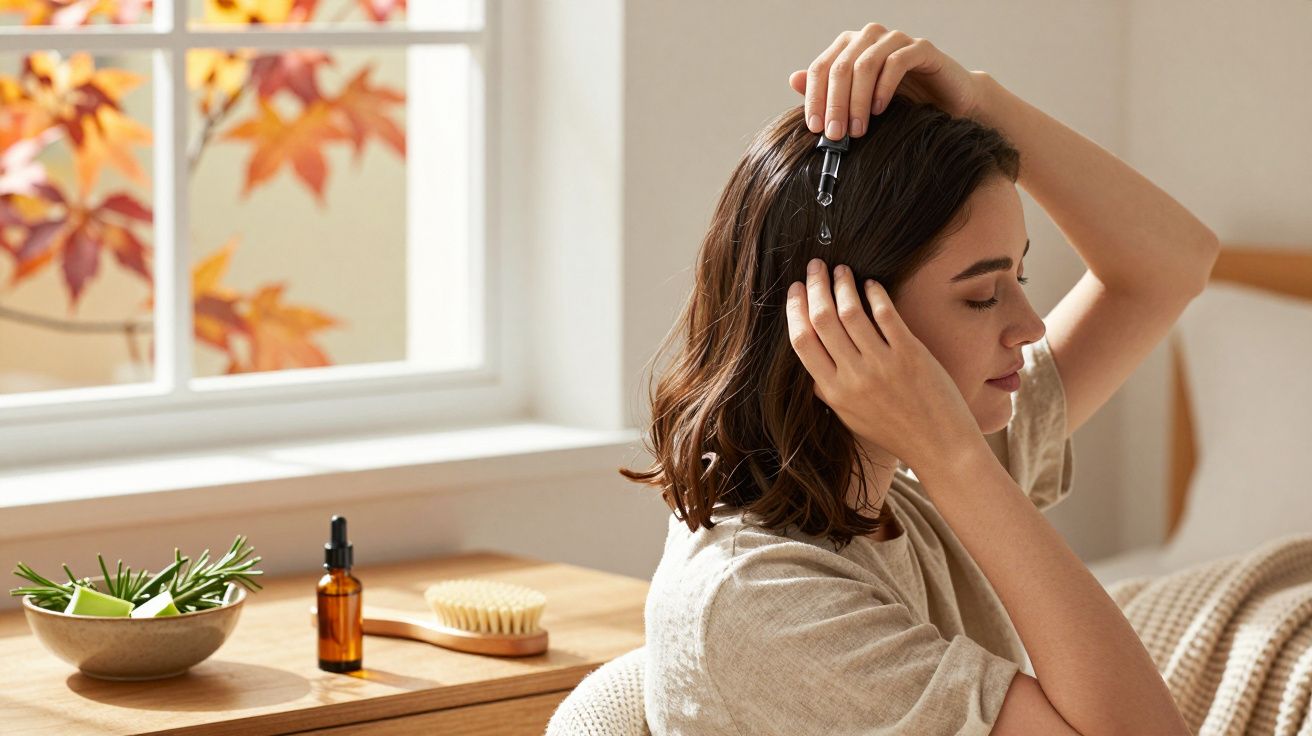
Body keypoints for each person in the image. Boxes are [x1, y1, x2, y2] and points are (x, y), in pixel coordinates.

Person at [620, 23, 1218, 736]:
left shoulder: (907, 482)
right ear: (836, 323)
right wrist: (955, 459)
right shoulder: (760, 601)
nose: (1030, 325)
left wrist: (981, 100)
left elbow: (1174, 265)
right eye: (982, 294)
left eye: (1017, 275)